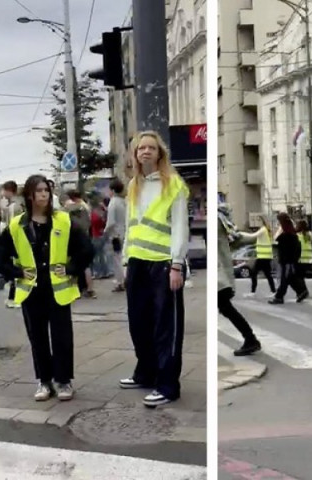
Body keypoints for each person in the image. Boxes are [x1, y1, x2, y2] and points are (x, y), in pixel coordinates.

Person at [0, 174, 92, 402]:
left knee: (62, 337)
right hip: (31, 290)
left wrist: (70, 268)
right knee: (37, 339)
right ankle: (44, 381)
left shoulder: (63, 220)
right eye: (39, 190)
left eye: (46, 190)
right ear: (29, 195)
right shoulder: (17, 225)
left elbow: (86, 249)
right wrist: (16, 273)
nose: (44, 194)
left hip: (58, 290)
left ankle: (64, 381)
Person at [119, 131, 189, 408]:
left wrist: (177, 264)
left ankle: (168, 385)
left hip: (163, 263)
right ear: (135, 155)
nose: (145, 151)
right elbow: (130, 226)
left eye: (151, 148)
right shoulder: (134, 185)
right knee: (138, 323)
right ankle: (145, 373)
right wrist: (126, 261)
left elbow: (180, 226)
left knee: (165, 327)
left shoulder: (173, 184)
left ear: (160, 153)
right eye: (141, 148)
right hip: (137, 261)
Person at [218, 201, 260, 356]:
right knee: (225, 308)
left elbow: (237, 239)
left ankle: (250, 339)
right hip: (220, 273)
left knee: (226, 308)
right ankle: (250, 339)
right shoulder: (219, 219)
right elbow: (237, 239)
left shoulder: (217, 219)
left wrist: (257, 235)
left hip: (219, 274)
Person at [269, 213, 308, 304]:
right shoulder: (293, 235)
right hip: (290, 261)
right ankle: (301, 291)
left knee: (284, 280)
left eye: (279, 222)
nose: (279, 224)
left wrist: (279, 230)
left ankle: (279, 297)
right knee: (290, 278)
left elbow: (275, 239)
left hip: (286, 262)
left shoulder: (286, 236)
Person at [243, 215, 276, 298]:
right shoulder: (267, 230)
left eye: (258, 220)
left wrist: (241, 234)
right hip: (267, 256)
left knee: (253, 273)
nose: (257, 222)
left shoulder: (263, 230)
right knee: (268, 274)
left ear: (262, 221)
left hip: (262, 257)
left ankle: (253, 292)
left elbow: (253, 236)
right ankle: (273, 291)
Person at [104, 178, 127, 292]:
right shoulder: (124, 201)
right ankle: (126, 279)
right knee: (124, 257)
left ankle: (120, 282)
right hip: (125, 232)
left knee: (117, 260)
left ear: (112, 190)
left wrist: (105, 231)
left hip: (115, 235)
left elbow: (111, 222)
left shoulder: (112, 203)